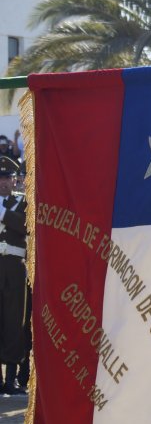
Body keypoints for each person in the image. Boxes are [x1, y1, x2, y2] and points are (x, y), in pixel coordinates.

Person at [0, 157, 27, 395]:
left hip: (15, 269)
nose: (5, 182)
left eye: (8, 178)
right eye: (1, 178)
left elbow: (25, 226)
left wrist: (2, 213)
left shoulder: (22, 202)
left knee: (14, 322)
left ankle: (11, 379)